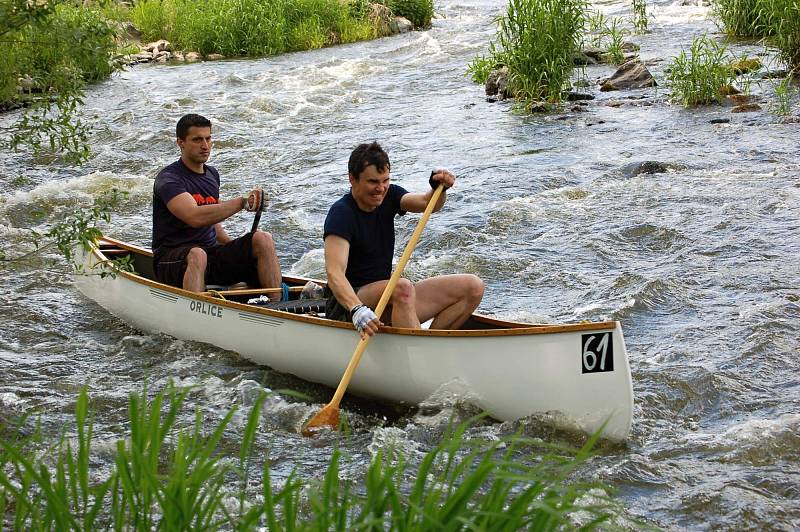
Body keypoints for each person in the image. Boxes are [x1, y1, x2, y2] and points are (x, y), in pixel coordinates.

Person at [323, 141, 484, 337]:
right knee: (402, 287)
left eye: (385, 180)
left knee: (472, 287)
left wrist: (438, 189)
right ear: (352, 179)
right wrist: (357, 309)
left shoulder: (390, 195)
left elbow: (428, 204)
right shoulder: (341, 214)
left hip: (389, 298)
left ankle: (430, 348)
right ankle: (419, 354)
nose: (381, 188)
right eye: (373, 182)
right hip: (348, 305)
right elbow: (335, 274)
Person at [151, 113, 283, 299]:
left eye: (208, 138)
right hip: (171, 261)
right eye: (197, 140)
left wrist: (240, 253)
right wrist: (242, 202)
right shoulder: (169, 180)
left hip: (210, 256)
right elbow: (194, 216)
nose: (205, 146)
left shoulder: (212, 175)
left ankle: (277, 307)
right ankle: (195, 316)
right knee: (197, 254)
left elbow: (213, 224)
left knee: (263, 238)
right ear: (181, 142)